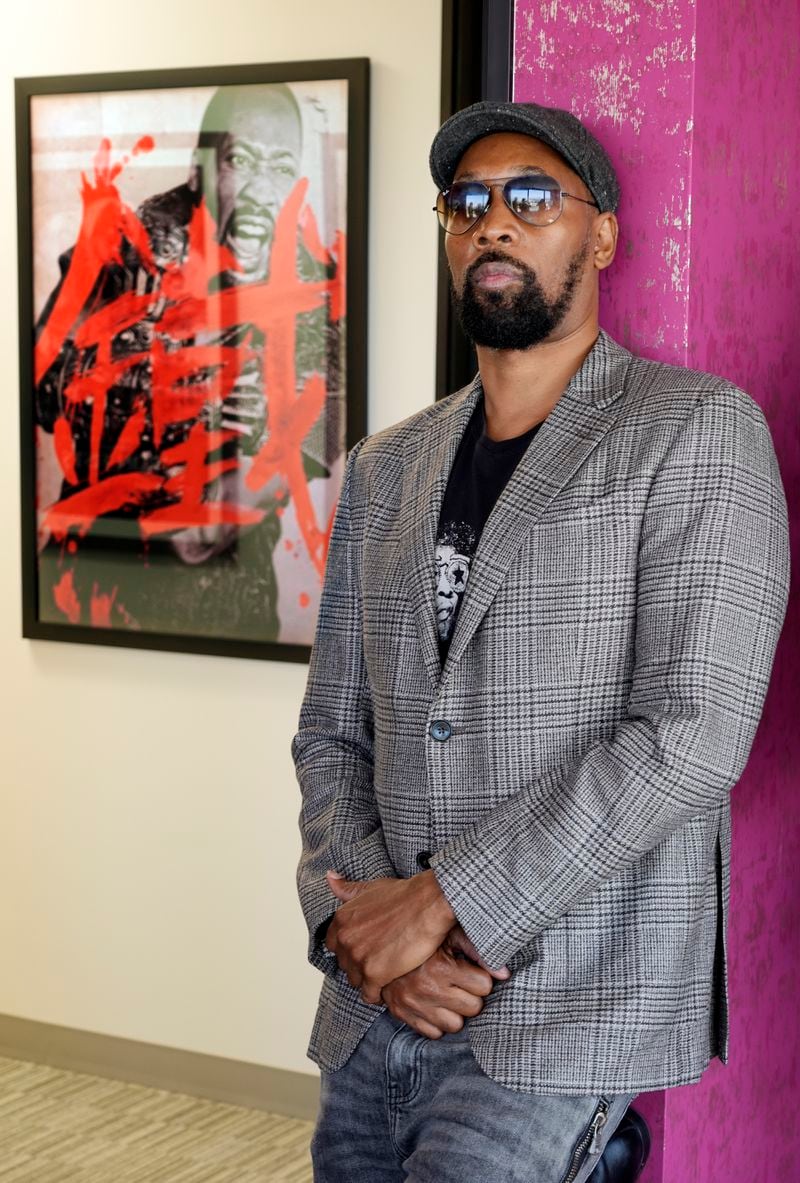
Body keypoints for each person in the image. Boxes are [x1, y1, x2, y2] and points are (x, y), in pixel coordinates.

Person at [293, 100, 789, 1182]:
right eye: (465, 204)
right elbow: (331, 734)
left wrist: (436, 906)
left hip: (563, 1012)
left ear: (599, 234)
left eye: (529, 197)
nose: (492, 224)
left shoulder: (692, 428)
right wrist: (364, 941)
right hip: (378, 1013)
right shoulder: (384, 467)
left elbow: (691, 734)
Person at [35, 82, 338, 641]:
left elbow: (329, 421)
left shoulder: (307, 283)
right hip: (90, 584)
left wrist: (246, 489)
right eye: (242, 161)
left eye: (280, 168)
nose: (260, 191)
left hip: (228, 602)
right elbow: (42, 391)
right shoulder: (119, 252)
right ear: (200, 172)